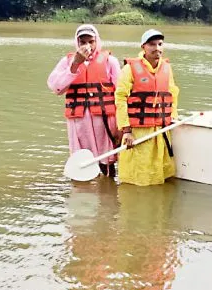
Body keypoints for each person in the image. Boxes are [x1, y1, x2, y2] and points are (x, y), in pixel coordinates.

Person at [47, 24, 123, 177]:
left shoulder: (110, 61)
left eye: (91, 41)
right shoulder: (67, 62)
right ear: (77, 43)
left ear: (97, 42)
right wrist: (75, 65)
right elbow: (56, 88)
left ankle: (107, 186)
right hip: (79, 122)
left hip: (105, 121)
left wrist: (122, 127)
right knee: (81, 161)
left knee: (106, 162)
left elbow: (121, 94)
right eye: (83, 42)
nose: (87, 46)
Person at [115, 29, 180, 187]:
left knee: (161, 174)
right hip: (138, 132)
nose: (157, 48)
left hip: (160, 130)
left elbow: (172, 94)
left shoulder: (166, 68)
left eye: (160, 44)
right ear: (143, 47)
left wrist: (173, 117)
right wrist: (126, 130)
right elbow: (120, 97)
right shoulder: (130, 69)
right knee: (139, 176)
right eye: (152, 44)